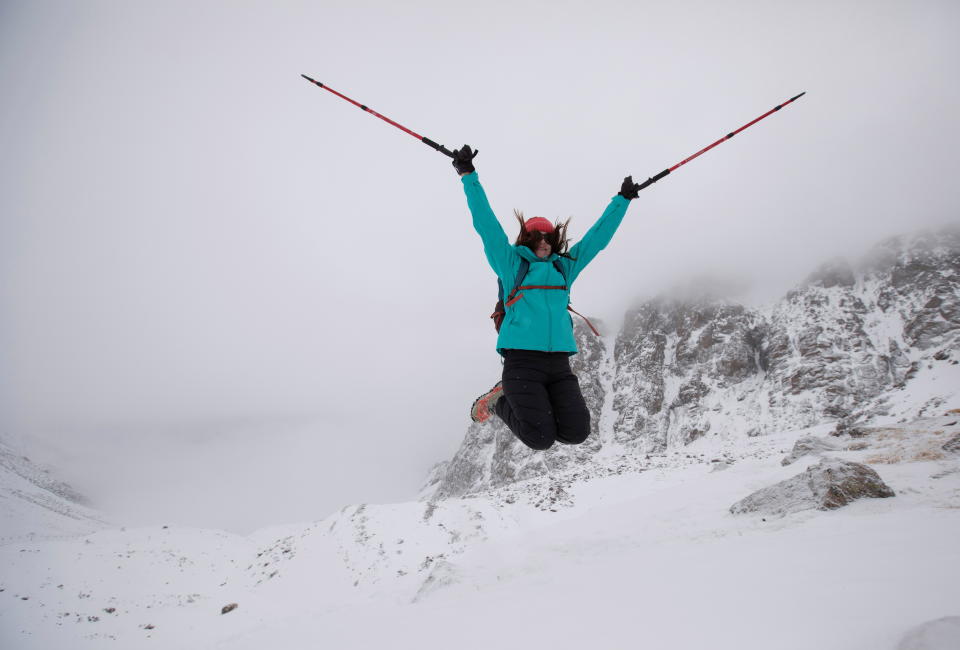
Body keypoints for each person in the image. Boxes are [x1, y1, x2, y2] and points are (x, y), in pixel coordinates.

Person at [453, 144, 640, 451]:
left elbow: (597, 239)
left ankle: (510, 399)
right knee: (540, 439)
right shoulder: (512, 265)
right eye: (535, 236)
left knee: (576, 432)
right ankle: (500, 402)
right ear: (526, 240)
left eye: (547, 236)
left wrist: (622, 200)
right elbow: (485, 225)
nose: (542, 241)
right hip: (522, 362)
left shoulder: (564, 269)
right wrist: (468, 175)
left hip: (559, 364)